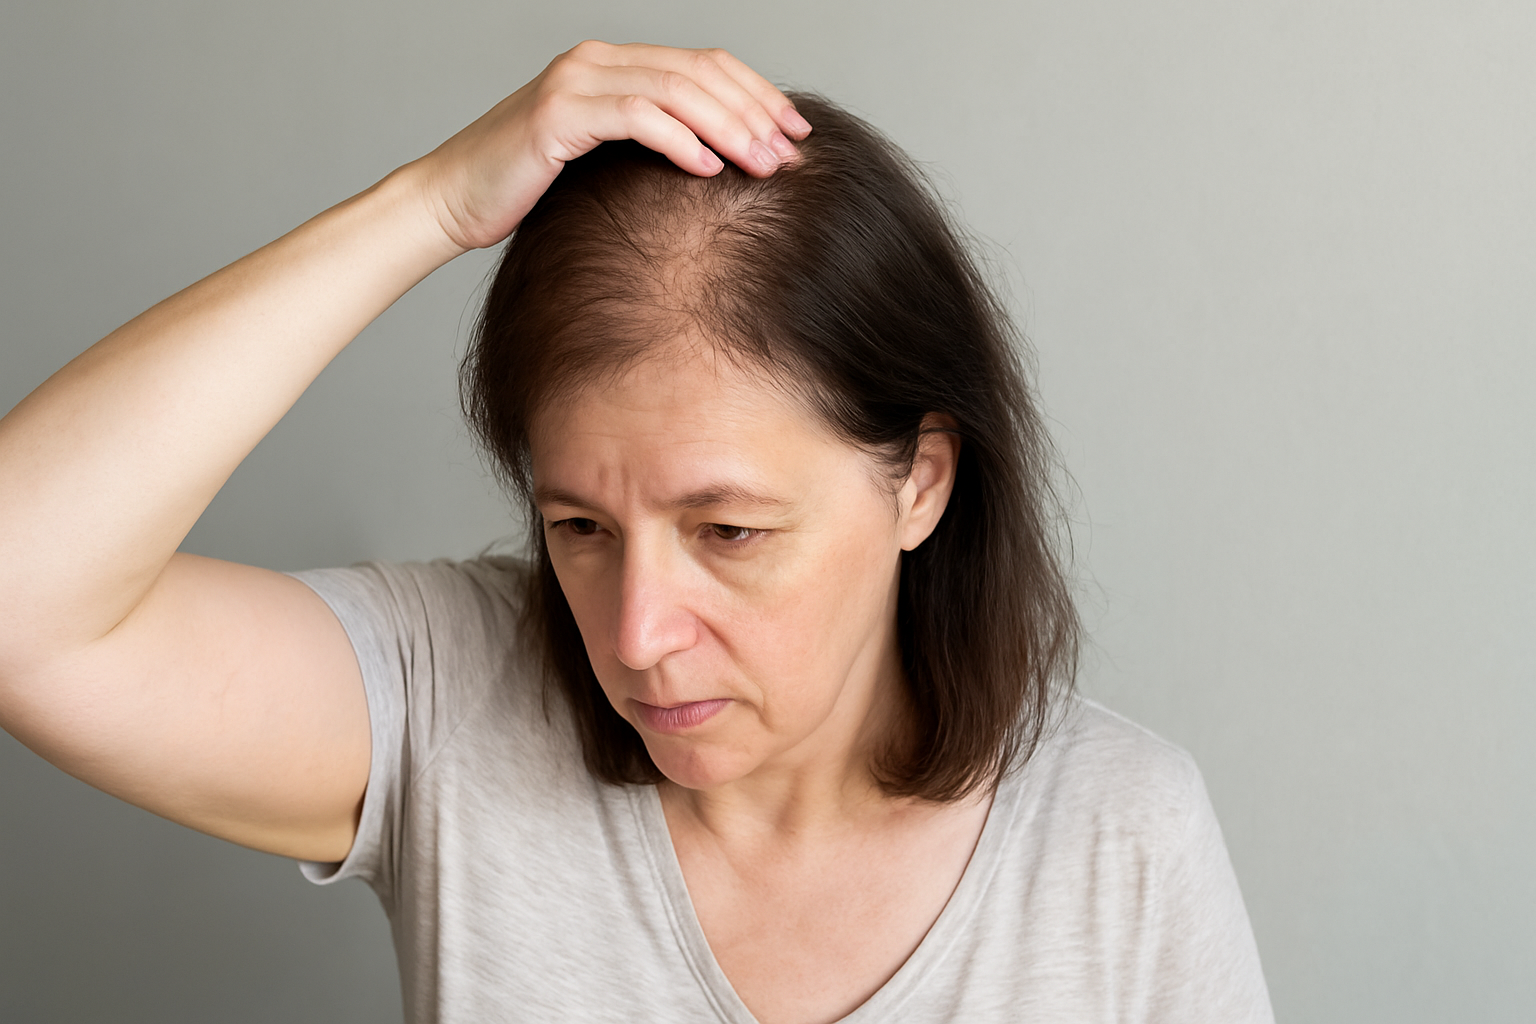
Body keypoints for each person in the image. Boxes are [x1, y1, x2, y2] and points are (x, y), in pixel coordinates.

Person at [0, 41, 1273, 1023]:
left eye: (728, 530)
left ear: (920, 484)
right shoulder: (453, 705)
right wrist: (432, 205)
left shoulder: (1121, 844)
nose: (637, 635)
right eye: (579, 524)